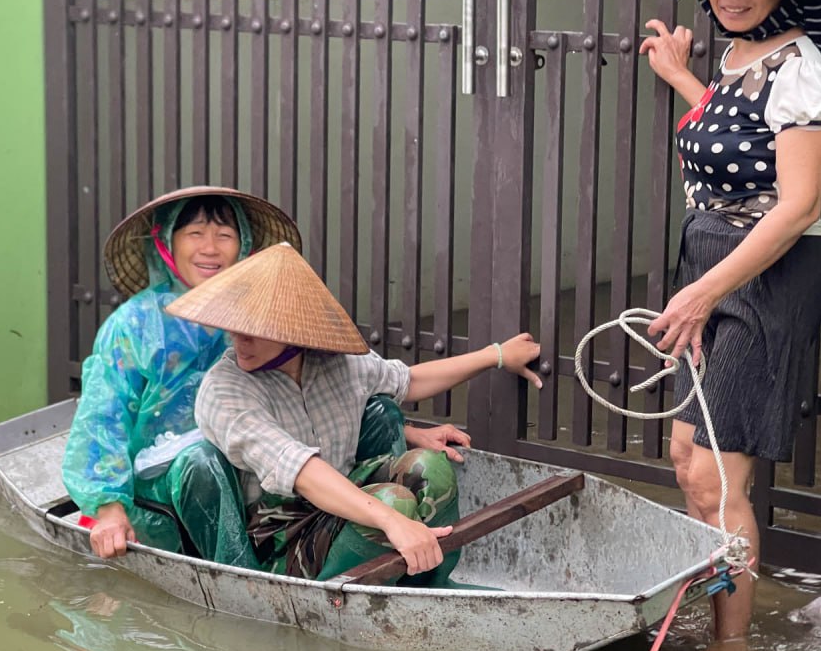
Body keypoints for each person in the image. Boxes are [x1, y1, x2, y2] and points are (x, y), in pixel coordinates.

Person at [635, 0, 821, 640]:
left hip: (765, 275)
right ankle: (719, 610)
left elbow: (794, 207)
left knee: (718, 478)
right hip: (709, 264)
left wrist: (701, 294)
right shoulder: (736, 57)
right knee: (684, 457)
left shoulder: (805, 73)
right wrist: (682, 80)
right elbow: (739, 139)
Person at [167, 243, 543, 585]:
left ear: (291, 329)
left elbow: (408, 381)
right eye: (234, 328)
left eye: (252, 330)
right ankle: (326, 601)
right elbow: (299, 469)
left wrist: (496, 356)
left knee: (432, 469)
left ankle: (427, 588)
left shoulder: (341, 364)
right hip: (280, 530)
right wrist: (392, 521)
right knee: (392, 504)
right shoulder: (224, 388)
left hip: (346, 499)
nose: (238, 339)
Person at [61, 185, 302, 564]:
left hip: (257, 463)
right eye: (195, 234)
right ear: (166, 244)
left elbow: (303, 388)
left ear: (245, 246)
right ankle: (239, 577)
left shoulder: (260, 314)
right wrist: (108, 509)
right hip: (166, 483)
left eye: (224, 235)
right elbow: (103, 419)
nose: (210, 248)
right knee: (202, 460)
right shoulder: (134, 324)